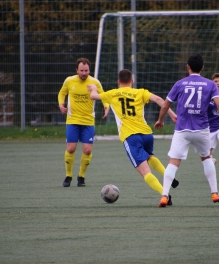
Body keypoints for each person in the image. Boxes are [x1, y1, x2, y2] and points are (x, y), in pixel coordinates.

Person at [88, 69, 179, 205]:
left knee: (145, 172)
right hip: (147, 134)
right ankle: (169, 177)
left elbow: (94, 96)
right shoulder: (140, 92)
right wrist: (172, 115)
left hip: (131, 136)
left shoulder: (113, 93)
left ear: (118, 82)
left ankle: (164, 194)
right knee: (150, 157)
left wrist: (93, 88)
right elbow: (159, 99)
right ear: (132, 81)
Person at [154, 53, 219, 207]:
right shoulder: (210, 84)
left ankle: (164, 195)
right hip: (201, 129)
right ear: (202, 67)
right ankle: (214, 193)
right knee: (206, 158)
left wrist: (160, 120)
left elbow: (166, 105)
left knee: (173, 162)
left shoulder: (180, 84)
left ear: (187, 67)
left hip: (182, 130)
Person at [58, 57, 110, 187]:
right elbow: (62, 93)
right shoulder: (69, 81)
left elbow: (103, 95)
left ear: (89, 70)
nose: (84, 73)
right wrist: (61, 104)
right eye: (81, 70)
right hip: (72, 120)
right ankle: (68, 176)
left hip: (88, 121)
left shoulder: (94, 82)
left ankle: (81, 177)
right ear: (77, 70)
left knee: (87, 151)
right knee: (71, 148)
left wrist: (106, 106)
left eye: (86, 70)